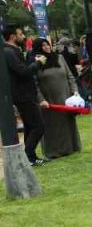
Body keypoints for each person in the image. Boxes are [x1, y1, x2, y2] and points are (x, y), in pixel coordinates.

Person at [4, 25, 47, 165]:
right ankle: (26, 156)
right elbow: (23, 72)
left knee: (30, 126)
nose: (23, 37)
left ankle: (30, 157)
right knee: (38, 126)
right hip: (23, 95)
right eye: (21, 34)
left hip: (25, 94)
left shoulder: (13, 51)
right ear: (12, 36)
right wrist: (38, 63)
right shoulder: (9, 52)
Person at [35, 36, 82, 159]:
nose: (46, 47)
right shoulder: (36, 64)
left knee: (67, 123)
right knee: (52, 125)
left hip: (65, 97)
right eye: (43, 45)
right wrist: (41, 99)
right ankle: (54, 151)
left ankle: (70, 147)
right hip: (48, 100)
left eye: (47, 44)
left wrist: (75, 91)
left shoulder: (60, 58)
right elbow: (34, 85)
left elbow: (70, 76)